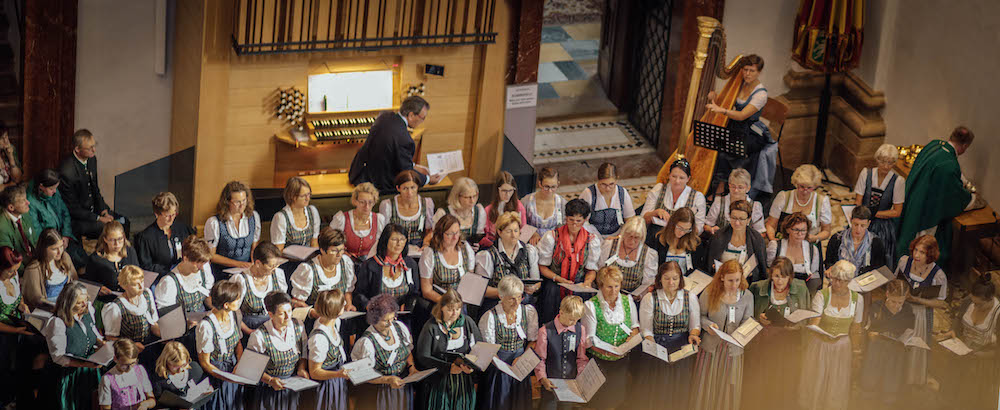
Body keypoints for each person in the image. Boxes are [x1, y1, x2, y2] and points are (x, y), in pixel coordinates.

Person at [897, 126, 977, 265]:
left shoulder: (934, 145)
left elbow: (941, 169)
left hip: (913, 198)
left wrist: (960, 179)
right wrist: (971, 199)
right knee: (921, 248)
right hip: (925, 212)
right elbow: (954, 196)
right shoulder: (949, 165)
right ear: (964, 146)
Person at [704, 55, 775, 198]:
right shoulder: (739, 83)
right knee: (712, 141)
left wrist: (721, 110)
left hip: (751, 132)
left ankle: (721, 187)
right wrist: (714, 98)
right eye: (745, 70)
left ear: (759, 72)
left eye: (752, 71)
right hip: (734, 127)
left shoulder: (761, 94)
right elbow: (726, 102)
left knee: (725, 149)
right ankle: (716, 184)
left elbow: (742, 115)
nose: (747, 74)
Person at [743, 257, 810, 407]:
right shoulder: (757, 287)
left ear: (790, 277)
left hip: (788, 344)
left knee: (784, 380)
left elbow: (805, 317)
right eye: (776, 276)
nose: (780, 281)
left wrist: (795, 325)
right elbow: (748, 316)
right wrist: (759, 319)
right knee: (762, 380)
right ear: (770, 274)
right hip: (763, 344)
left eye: (784, 277)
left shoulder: (800, 289)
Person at [635, 261, 701, 409]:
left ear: (680, 279)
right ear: (660, 279)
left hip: (680, 350)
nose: (671, 282)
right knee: (656, 389)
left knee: (678, 389)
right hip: (657, 348)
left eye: (675, 278)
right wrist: (655, 349)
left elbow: (695, 326)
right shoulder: (650, 298)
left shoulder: (690, 297)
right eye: (666, 278)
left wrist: (693, 335)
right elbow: (646, 330)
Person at [799, 260, 863, 410]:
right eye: (834, 279)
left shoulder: (857, 300)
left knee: (837, 383)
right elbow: (815, 321)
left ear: (848, 281)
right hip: (821, 345)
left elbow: (856, 328)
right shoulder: (822, 296)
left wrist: (857, 352)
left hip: (842, 348)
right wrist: (815, 327)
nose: (836, 283)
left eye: (840, 281)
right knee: (817, 382)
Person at [690, 259, 752, 410]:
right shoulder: (710, 292)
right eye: (730, 280)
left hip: (733, 351)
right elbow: (701, 316)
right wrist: (708, 325)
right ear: (722, 277)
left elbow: (748, 321)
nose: (734, 285)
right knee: (706, 386)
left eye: (737, 280)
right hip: (711, 348)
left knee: (728, 388)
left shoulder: (747, 296)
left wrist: (742, 332)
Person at [349, 96, 443, 194]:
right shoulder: (405, 140)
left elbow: (390, 154)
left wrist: (414, 166)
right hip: (379, 184)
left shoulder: (384, 116)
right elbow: (406, 172)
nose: (422, 121)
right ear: (411, 115)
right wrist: (428, 179)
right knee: (410, 189)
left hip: (360, 174)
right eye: (422, 118)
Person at [938, 273, 1000, 409]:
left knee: (968, 399)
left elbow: (998, 351)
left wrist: (978, 355)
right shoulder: (969, 301)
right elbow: (958, 319)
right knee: (949, 393)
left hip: (980, 365)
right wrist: (953, 330)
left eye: (979, 304)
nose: (975, 306)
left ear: (990, 299)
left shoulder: (998, 315)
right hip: (960, 355)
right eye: (973, 302)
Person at [39, 282, 104, 410]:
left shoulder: (88, 310)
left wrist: (102, 344)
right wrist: (84, 364)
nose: (84, 304)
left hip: (89, 372)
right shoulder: (57, 322)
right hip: (68, 376)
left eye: (85, 300)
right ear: (68, 303)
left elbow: (92, 332)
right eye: (80, 302)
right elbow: (58, 357)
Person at [582, 266, 639, 409]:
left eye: (616, 286)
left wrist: (630, 339)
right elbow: (589, 338)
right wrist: (606, 351)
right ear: (600, 286)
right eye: (609, 287)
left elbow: (635, 327)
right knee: (598, 401)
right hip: (599, 362)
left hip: (621, 361)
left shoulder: (627, 301)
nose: (613, 291)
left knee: (617, 399)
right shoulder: (591, 305)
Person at [415, 289, 483, 409]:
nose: (454, 313)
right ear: (442, 308)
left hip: (463, 380)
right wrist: (447, 368)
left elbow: (480, 349)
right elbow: (423, 356)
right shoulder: (432, 326)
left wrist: (472, 367)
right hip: (439, 382)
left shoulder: (468, 322)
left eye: (457, 309)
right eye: (450, 309)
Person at [477, 276, 538, 410]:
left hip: (520, 365)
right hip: (499, 367)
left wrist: (522, 359)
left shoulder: (528, 312)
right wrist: (503, 367)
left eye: (519, 297)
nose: (516, 302)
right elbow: (488, 350)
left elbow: (533, 341)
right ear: (501, 296)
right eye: (511, 298)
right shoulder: (490, 317)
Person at [536, 198, 601, 324]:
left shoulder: (591, 240)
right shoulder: (552, 237)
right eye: (571, 220)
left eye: (578, 221)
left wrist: (587, 283)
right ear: (566, 218)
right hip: (556, 281)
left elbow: (591, 270)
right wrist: (559, 279)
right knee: (551, 291)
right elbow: (542, 267)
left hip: (578, 283)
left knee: (581, 296)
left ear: (585, 220)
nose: (574, 224)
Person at [894, 234, 947, 388]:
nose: (916, 255)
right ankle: (896, 374)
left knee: (914, 347)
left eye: (922, 253)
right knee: (898, 341)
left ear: (930, 254)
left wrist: (917, 300)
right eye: (916, 250)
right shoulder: (905, 262)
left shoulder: (938, 275)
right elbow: (896, 281)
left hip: (920, 316)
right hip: (901, 308)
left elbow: (940, 303)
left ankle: (911, 379)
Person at [351, 293, 418, 410]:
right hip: (380, 393)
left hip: (402, 387)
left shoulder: (399, 328)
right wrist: (388, 379)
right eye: (385, 320)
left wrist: (412, 368)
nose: (390, 323)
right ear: (374, 319)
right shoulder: (367, 342)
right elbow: (363, 375)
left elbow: (407, 349)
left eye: (392, 318)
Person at [58, 129, 129, 239]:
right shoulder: (66, 171)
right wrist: (98, 218)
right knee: (110, 229)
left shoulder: (91, 160)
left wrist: (104, 211)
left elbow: (95, 189)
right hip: (79, 219)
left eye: (94, 145)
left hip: (95, 211)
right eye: (90, 148)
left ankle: (122, 255)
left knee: (124, 222)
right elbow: (72, 209)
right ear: (77, 149)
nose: (94, 150)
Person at [246, 292, 308, 409]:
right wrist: (270, 380)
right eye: (281, 313)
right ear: (270, 314)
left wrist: (301, 368)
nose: (287, 317)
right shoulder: (259, 336)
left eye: (289, 311)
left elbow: (303, 351)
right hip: (269, 392)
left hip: (291, 389)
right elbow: (251, 368)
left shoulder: (298, 326)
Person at [858, 279, 914, 407]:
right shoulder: (877, 307)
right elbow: (868, 327)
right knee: (871, 376)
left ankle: (886, 403)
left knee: (891, 378)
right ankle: (866, 403)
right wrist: (871, 333)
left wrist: (905, 340)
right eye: (893, 301)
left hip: (896, 351)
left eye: (900, 302)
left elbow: (910, 329)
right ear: (887, 294)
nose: (896, 305)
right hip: (876, 348)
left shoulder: (907, 310)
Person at [475, 211, 541, 315]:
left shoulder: (529, 251)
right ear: (500, 232)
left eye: (516, 230)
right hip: (497, 304)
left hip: (523, 303)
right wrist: (507, 293)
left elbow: (537, 281)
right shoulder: (488, 255)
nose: (513, 235)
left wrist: (533, 288)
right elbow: (481, 289)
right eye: (509, 231)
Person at [853, 143, 905, 269]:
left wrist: (874, 214)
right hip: (862, 220)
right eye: (883, 162)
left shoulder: (898, 181)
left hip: (882, 225)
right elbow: (858, 201)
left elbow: (897, 212)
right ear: (877, 160)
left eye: (890, 163)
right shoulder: (866, 174)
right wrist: (862, 217)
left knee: (878, 257)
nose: (886, 166)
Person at [195, 280, 245, 410]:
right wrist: (225, 377)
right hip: (216, 373)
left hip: (233, 368)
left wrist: (240, 364)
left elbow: (237, 343)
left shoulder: (234, 314)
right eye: (236, 299)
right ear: (226, 304)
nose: (239, 301)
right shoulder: (206, 326)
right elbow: (205, 363)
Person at [533, 295, 589, 410]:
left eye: (576, 320)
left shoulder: (580, 329)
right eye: (571, 319)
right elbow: (540, 359)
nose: (573, 322)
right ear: (561, 312)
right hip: (550, 384)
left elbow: (581, 358)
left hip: (569, 384)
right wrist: (543, 379)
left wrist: (580, 378)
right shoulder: (545, 331)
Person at [101, 265, 161, 370]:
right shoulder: (115, 307)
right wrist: (132, 345)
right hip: (128, 357)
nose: (141, 286)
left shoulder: (147, 294)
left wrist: (162, 334)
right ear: (124, 285)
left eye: (142, 281)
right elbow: (110, 338)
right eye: (135, 284)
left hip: (149, 350)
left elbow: (152, 323)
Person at [354, 224, 421, 314]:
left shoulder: (410, 264)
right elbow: (359, 295)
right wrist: (371, 308)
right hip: (376, 317)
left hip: (403, 317)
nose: (399, 243)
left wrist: (408, 305)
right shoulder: (370, 265)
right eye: (394, 239)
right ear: (385, 241)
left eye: (402, 239)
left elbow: (415, 292)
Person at [27, 168, 87, 268]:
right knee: (74, 260)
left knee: (82, 257)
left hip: (63, 235)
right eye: (51, 189)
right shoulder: (31, 202)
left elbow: (65, 213)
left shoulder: (55, 192)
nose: (55, 191)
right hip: (50, 244)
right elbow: (37, 233)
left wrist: (66, 235)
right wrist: (57, 244)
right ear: (41, 186)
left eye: (56, 188)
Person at [204, 181, 261, 280]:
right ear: (227, 202)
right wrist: (239, 264)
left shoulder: (253, 217)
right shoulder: (214, 222)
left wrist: (253, 265)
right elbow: (211, 255)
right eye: (237, 202)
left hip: (245, 271)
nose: (242, 205)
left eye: (244, 200)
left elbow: (254, 249)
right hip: (222, 274)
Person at [765, 164, 832, 246]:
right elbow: (771, 224)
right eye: (802, 187)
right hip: (784, 243)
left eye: (809, 187)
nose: (805, 191)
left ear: (815, 186)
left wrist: (815, 238)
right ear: (796, 183)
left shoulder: (822, 201)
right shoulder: (783, 197)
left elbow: (826, 231)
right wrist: (773, 240)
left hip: (809, 244)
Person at [304, 290, 350, 410]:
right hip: (327, 386)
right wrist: (337, 374)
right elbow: (314, 372)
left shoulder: (336, 323)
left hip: (337, 381)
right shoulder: (319, 338)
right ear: (338, 310)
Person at [0, 246, 34, 407]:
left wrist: (22, 305)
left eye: (16, 271)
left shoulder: (14, 276)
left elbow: (19, 298)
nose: (14, 274)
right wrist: (16, 330)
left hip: (17, 326)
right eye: (10, 272)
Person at [134, 192, 197, 276]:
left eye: (174, 214)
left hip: (184, 274)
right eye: (167, 215)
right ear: (157, 214)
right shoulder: (146, 237)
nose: (171, 218)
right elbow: (146, 266)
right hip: (160, 278)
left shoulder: (183, 228)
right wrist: (170, 272)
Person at [290, 227, 356, 308]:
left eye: (342, 250)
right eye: (334, 251)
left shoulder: (345, 263)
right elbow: (298, 303)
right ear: (322, 250)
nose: (339, 254)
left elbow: (347, 292)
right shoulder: (308, 270)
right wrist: (313, 313)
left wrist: (349, 305)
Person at [235, 242, 289, 338]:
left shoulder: (278, 274)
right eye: (271, 266)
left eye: (276, 265)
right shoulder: (241, 280)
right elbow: (234, 312)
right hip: (250, 329)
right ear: (258, 263)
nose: (274, 268)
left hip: (274, 326)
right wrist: (249, 331)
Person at [705, 200, 767, 282]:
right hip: (721, 282)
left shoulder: (757, 239)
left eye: (741, 219)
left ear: (749, 219)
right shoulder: (718, 236)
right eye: (734, 218)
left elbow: (761, 269)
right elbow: (708, 264)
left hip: (747, 283)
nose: (737, 223)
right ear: (729, 216)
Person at [420, 214, 476, 304]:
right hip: (440, 304)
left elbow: (470, 281)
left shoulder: (465, 248)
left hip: (462, 303)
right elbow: (427, 291)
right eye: (449, 234)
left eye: (457, 233)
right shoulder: (430, 254)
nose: (455, 238)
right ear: (440, 234)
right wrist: (447, 302)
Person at [641, 159, 707, 235]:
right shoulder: (659, 189)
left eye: (681, 178)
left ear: (688, 179)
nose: (677, 181)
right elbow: (642, 219)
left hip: (682, 239)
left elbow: (699, 229)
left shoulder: (697, 197)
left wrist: (682, 228)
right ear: (669, 175)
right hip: (657, 235)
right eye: (674, 176)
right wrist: (656, 212)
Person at [154, 237, 215, 316]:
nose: (201, 267)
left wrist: (216, 309)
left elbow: (206, 297)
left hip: (202, 317)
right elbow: (167, 316)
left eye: (203, 263)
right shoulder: (170, 282)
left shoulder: (204, 269)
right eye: (197, 263)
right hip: (181, 324)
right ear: (185, 258)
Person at [599, 216, 658, 295]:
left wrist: (637, 296)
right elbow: (599, 272)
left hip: (633, 299)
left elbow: (647, 284)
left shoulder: (648, 254)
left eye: (636, 238)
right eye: (629, 236)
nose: (632, 241)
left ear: (642, 237)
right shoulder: (609, 245)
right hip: (606, 294)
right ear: (623, 233)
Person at [22, 228, 78, 310]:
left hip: (68, 305)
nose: (60, 252)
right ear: (44, 249)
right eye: (54, 249)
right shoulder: (34, 269)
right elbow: (36, 299)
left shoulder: (65, 257)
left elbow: (75, 280)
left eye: (61, 246)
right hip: (48, 310)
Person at [378, 170, 435, 251]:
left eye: (413, 188)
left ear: (417, 187)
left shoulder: (427, 203)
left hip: (419, 248)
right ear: (398, 188)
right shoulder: (388, 205)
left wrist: (426, 244)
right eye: (405, 188)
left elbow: (429, 230)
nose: (409, 193)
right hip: (396, 249)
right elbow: (384, 233)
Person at [766, 212, 822, 293]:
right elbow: (768, 269)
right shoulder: (775, 246)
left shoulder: (813, 250)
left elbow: (814, 275)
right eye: (796, 230)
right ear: (788, 229)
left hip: (802, 292)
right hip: (777, 289)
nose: (800, 234)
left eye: (803, 230)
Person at [85, 221, 139, 304]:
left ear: (124, 237)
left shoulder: (130, 252)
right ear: (105, 239)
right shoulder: (96, 259)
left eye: (120, 239)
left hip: (129, 300)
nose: (117, 244)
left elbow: (136, 274)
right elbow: (89, 286)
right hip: (107, 302)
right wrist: (99, 289)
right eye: (112, 240)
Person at [330, 182, 385, 261]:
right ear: (355, 201)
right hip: (345, 261)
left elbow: (380, 247)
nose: (367, 206)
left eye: (370, 202)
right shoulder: (342, 219)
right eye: (362, 202)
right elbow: (330, 243)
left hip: (369, 263)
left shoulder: (378, 219)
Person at [579, 163, 636, 238]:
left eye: (611, 184)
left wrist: (620, 236)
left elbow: (630, 220)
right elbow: (580, 220)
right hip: (593, 236)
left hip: (617, 235)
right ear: (598, 180)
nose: (607, 189)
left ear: (617, 179)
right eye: (603, 184)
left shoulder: (622, 193)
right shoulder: (589, 193)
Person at [824, 206, 886, 274]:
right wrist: (830, 269)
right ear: (851, 220)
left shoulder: (875, 243)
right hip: (840, 279)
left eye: (862, 225)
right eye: (856, 224)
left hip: (863, 282)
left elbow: (878, 269)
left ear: (868, 224)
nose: (858, 230)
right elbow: (828, 262)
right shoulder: (837, 239)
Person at [704, 168, 765, 235]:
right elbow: (707, 226)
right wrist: (711, 229)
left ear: (748, 188)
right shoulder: (719, 202)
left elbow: (761, 232)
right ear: (729, 186)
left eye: (740, 187)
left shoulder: (755, 206)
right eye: (733, 186)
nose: (736, 190)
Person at [98, 339, 156, 410]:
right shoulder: (107, 379)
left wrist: (146, 404)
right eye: (125, 365)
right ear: (115, 359)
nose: (129, 368)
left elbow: (152, 400)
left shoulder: (140, 370)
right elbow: (105, 408)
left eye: (133, 363)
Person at [151, 341, 207, 409]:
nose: (180, 370)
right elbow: (158, 406)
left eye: (183, 365)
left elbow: (205, 387)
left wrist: (207, 391)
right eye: (175, 366)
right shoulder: (159, 379)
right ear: (166, 362)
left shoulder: (195, 369)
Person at [271, 176, 322, 252]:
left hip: (308, 260)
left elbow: (314, 243)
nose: (308, 198)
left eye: (309, 194)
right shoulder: (281, 218)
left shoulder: (312, 211)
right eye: (303, 196)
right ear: (293, 197)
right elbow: (279, 250)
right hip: (289, 261)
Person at [433, 177, 487, 246]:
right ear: (457, 196)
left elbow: (479, 238)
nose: (472, 201)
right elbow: (436, 239)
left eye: (474, 196)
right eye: (467, 197)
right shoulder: (443, 213)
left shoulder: (479, 211)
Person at [647, 207, 700, 274]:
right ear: (673, 223)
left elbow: (694, 269)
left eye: (686, 230)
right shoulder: (658, 239)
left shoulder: (694, 242)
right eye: (680, 228)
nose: (682, 233)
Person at [521, 167, 566, 245]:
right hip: (530, 241)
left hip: (552, 242)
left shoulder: (562, 204)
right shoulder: (526, 201)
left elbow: (564, 226)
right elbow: (518, 223)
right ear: (540, 184)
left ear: (558, 184)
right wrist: (533, 233)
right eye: (546, 187)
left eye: (553, 187)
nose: (550, 191)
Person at [482, 171, 526, 249]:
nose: (507, 195)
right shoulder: (488, 210)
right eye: (504, 191)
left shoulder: (519, 206)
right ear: (497, 190)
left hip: (514, 245)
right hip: (494, 246)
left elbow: (524, 229)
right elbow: (484, 234)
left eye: (510, 190)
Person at [0, 183, 38, 262]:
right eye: (23, 201)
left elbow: (35, 240)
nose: (28, 203)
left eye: (26, 199)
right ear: (11, 207)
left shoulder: (24, 213)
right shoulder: (2, 227)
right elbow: (11, 260)